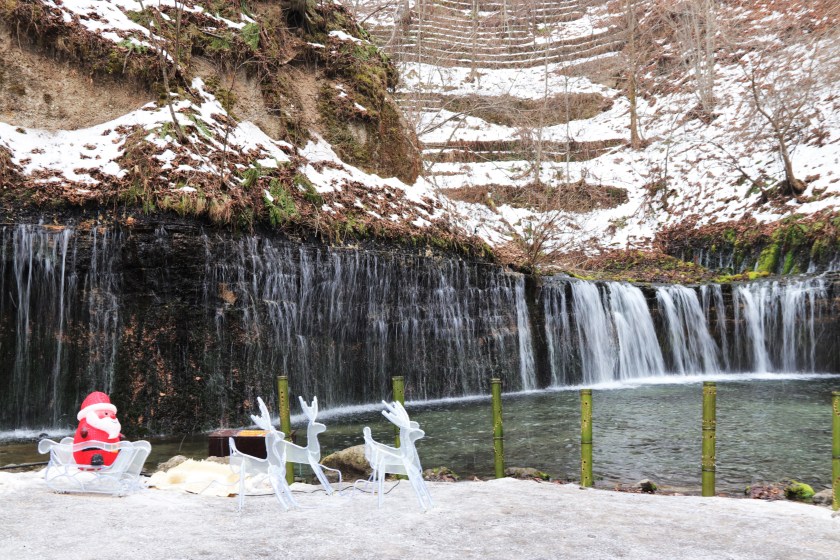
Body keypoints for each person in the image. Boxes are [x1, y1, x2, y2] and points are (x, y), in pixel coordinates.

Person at [72, 392, 124, 467]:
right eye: (106, 413)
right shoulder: (87, 422)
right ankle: (94, 458)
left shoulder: (111, 427)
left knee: (115, 449)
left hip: (111, 454)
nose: (112, 416)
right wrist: (83, 433)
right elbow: (81, 434)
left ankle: (113, 460)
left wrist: (118, 436)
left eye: (112, 413)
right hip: (88, 455)